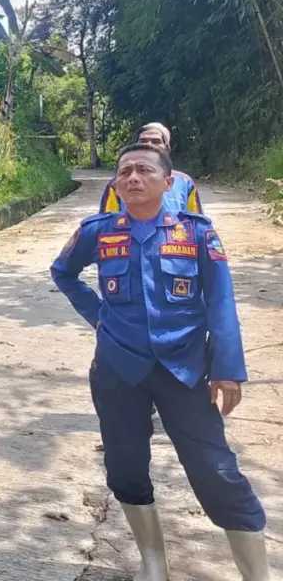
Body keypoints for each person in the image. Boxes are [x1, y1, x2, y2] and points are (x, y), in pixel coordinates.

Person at [51, 143, 268, 581]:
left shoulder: (196, 233)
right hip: (118, 368)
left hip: (183, 369)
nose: (133, 177)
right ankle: (154, 561)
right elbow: (63, 272)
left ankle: (257, 574)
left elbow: (221, 300)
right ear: (115, 184)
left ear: (168, 182)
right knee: (125, 466)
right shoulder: (99, 231)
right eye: (125, 171)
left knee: (216, 472)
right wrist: (97, 315)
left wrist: (227, 367)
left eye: (145, 170)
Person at [99, 123, 202, 214]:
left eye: (156, 141)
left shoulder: (185, 182)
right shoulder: (119, 183)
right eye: (143, 141)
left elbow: (196, 222)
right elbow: (106, 223)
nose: (148, 145)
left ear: (167, 148)